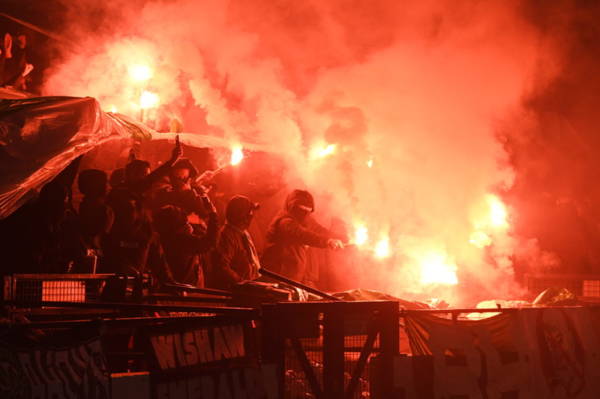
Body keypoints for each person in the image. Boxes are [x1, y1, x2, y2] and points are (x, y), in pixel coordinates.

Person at [261, 189, 343, 285]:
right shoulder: (285, 222)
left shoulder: (304, 218)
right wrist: (328, 242)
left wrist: (341, 237)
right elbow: (304, 235)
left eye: (308, 211)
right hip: (279, 277)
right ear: (292, 207)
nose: (305, 214)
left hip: (293, 276)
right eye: (302, 210)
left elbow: (319, 230)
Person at [153, 201, 217, 287]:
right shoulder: (182, 241)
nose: (188, 223)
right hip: (186, 292)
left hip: (170, 290)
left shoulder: (161, 238)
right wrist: (213, 215)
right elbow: (210, 242)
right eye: (185, 221)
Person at [209, 195, 261, 289]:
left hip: (249, 288)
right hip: (234, 292)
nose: (251, 217)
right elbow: (222, 267)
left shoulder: (243, 233)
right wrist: (242, 283)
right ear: (242, 216)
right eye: (249, 214)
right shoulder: (226, 236)